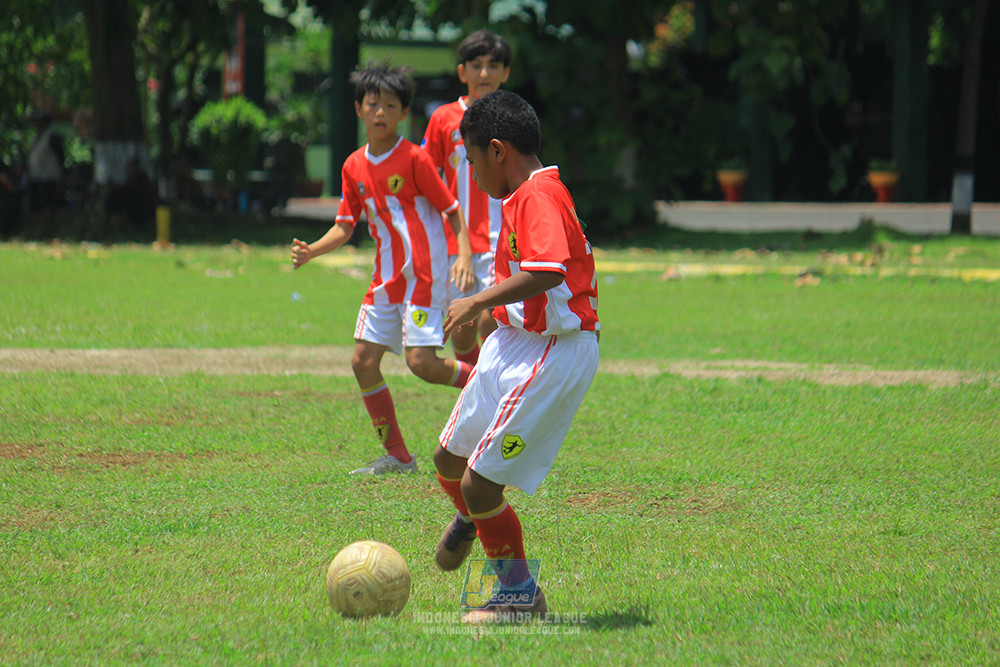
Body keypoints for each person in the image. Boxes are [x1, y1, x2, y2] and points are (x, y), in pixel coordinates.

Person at [431, 90, 600, 622]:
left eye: (472, 157)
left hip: (553, 350)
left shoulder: (537, 195)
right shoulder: (522, 195)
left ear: (498, 150)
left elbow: (549, 271)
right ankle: (476, 520)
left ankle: (519, 597)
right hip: (513, 342)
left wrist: (478, 298)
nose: (470, 171)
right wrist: (490, 315)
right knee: (449, 463)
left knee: (480, 483)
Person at [290, 62, 475, 475]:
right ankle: (398, 457)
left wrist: (462, 254)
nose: (380, 112)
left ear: (403, 113)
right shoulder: (353, 166)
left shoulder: (415, 159)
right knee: (362, 360)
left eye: (390, 105)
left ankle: (488, 383)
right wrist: (312, 252)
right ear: (358, 108)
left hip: (424, 277)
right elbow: (344, 227)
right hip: (386, 280)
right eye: (373, 104)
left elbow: (452, 209)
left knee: (422, 364)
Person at [421, 30, 511, 367]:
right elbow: (426, 177)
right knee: (462, 331)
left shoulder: (511, 119)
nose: (484, 74)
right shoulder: (444, 119)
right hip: (454, 245)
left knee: (492, 322)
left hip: (501, 240)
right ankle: (477, 393)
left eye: (493, 65)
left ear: (506, 73)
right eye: (476, 65)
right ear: (463, 72)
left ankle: (496, 399)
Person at [25, 111, 64, 234]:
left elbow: (60, 156)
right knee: (36, 205)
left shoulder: (51, 136)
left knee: (48, 204)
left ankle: (49, 229)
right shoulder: (36, 138)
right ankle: (40, 229)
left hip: (49, 176)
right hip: (36, 176)